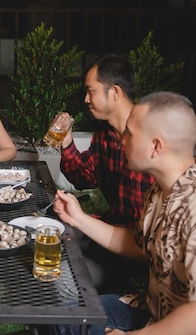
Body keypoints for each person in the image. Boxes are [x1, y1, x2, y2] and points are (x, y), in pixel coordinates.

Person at [51, 91, 196, 335]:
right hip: (154, 312)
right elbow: (137, 245)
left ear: (155, 146)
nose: (122, 140)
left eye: (130, 134)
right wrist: (78, 218)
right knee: (61, 318)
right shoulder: (158, 191)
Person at [57, 54, 154, 294]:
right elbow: (84, 178)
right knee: (53, 233)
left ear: (115, 92)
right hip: (111, 233)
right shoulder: (105, 133)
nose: (86, 99)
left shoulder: (152, 137)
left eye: (91, 91)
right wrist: (66, 140)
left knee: (61, 274)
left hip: (140, 254)